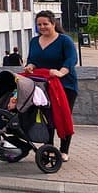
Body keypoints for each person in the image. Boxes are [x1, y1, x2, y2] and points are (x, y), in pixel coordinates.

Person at [25, 10, 78, 159]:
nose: (42, 27)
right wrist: (31, 66)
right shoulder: (34, 41)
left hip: (65, 85)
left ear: (53, 24)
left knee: (62, 116)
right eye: (39, 24)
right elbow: (32, 59)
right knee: (46, 117)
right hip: (44, 85)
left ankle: (64, 150)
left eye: (45, 24)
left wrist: (61, 72)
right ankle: (48, 147)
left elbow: (72, 59)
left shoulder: (64, 40)